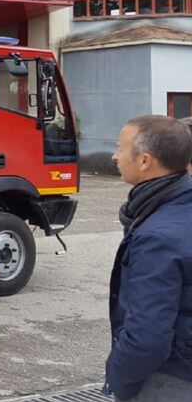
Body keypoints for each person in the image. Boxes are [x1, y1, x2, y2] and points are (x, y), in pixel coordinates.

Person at [105, 115, 192, 401]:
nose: (114, 156)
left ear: (144, 161)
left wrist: (118, 379)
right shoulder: (178, 207)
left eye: (120, 148)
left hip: (171, 379)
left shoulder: (157, 237)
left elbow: (147, 339)